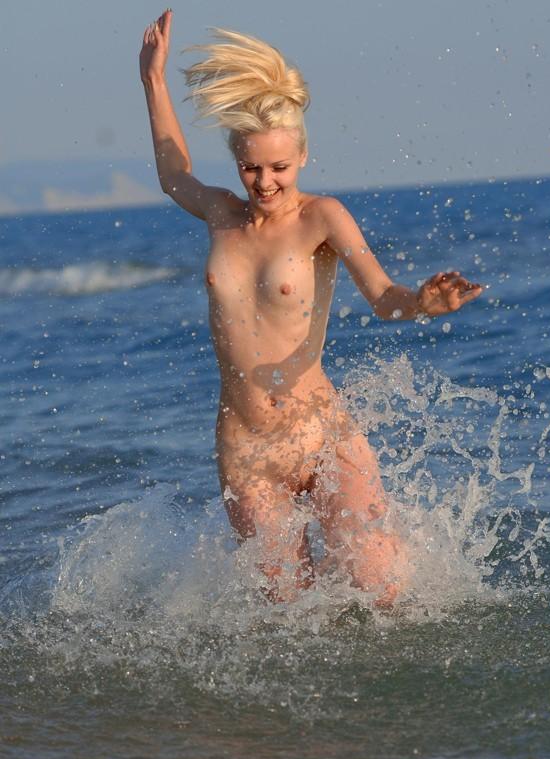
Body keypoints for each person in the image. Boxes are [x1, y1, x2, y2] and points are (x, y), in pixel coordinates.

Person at [139, 9, 482, 606]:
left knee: (380, 590)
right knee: (286, 615)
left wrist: (423, 304)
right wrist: (153, 80)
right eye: (251, 167)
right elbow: (174, 174)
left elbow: (383, 298)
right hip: (246, 451)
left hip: (321, 434)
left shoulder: (322, 218)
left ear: (302, 156)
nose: (264, 181)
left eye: (279, 167)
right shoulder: (221, 214)